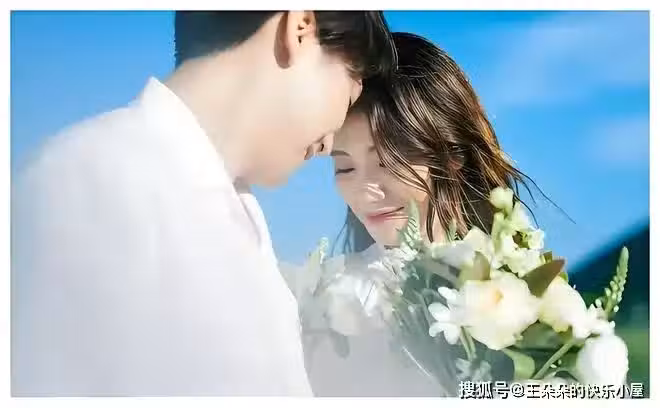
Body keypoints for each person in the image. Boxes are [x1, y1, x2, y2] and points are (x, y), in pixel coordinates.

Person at [11, 11, 395, 396]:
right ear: (299, 29)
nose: (329, 143)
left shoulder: (236, 215)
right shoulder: (85, 183)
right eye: (349, 94)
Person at [282, 32, 538, 397]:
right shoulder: (330, 304)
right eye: (345, 168)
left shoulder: (520, 291)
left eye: (388, 161)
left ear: (451, 154)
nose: (365, 191)